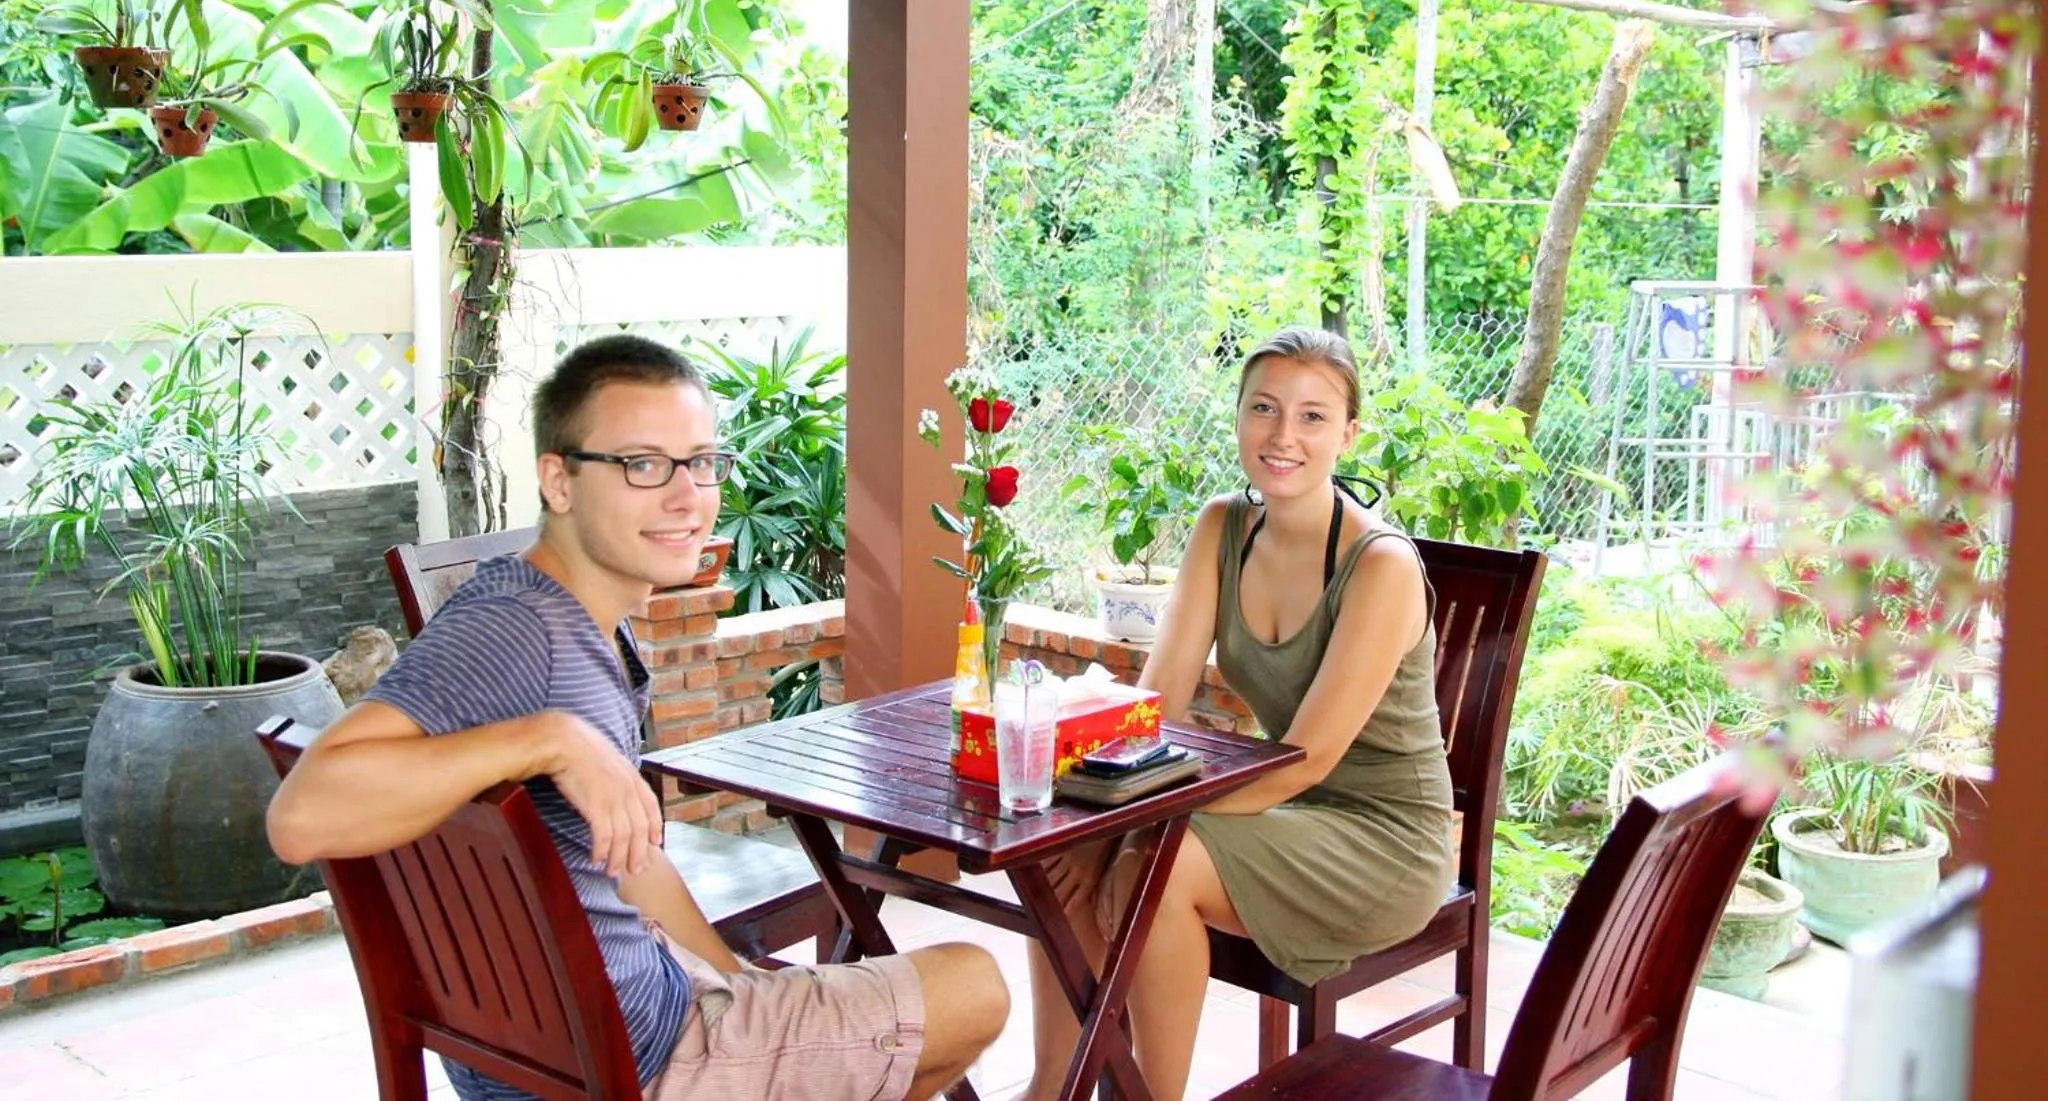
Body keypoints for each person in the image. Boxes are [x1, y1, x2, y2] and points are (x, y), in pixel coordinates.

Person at [268, 334, 1008, 1101]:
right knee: (973, 982)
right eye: (643, 464)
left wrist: (732, 974)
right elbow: (302, 815)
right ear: (559, 479)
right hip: (649, 1061)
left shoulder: (575, 619)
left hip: (579, 1040)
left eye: (701, 461)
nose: (687, 495)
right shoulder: (522, 632)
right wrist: (547, 739)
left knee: (823, 998)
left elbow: (630, 853)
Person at [1023, 326, 1455, 1101]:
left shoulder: (1380, 565)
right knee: (1069, 857)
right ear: (1238, 416)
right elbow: (1155, 704)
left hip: (1383, 839)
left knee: (1157, 863)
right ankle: (1053, 1087)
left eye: (1313, 416)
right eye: (1263, 408)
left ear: (1348, 433)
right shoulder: (1223, 526)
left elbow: (1309, 758)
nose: (1283, 435)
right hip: (1278, 810)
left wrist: (1143, 821)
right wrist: (1090, 806)